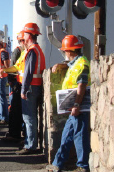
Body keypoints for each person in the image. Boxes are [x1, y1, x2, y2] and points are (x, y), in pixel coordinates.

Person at [46, 35, 90, 172]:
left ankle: (82, 166)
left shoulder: (82, 64)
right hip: (74, 106)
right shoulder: (77, 63)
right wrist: (60, 64)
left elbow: (82, 85)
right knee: (67, 135)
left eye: (65, 50)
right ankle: (58, 164)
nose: (64, 53)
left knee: (79, 137)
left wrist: (76, 105)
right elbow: (70, 65)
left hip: (79, 107)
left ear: (70, 51)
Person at [13, 23, 45, 155]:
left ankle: (30, 145)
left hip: (31, 87)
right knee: (31, 117)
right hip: (35, 86)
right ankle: (30, 142)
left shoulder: (32, 50)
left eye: (25, 33)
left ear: (29, 35)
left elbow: (28, 72)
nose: (23, 35)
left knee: (28, 117)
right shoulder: (37, 49)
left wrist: (24, 89)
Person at [4, 31, 25, 141]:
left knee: (17, 109)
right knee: (16, 109)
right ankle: (14, 132)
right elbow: (13, 67)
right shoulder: (19, 51)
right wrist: (11, 82)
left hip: (20, 84)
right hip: (18, 84)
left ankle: (15, 133)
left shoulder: (23, 51)